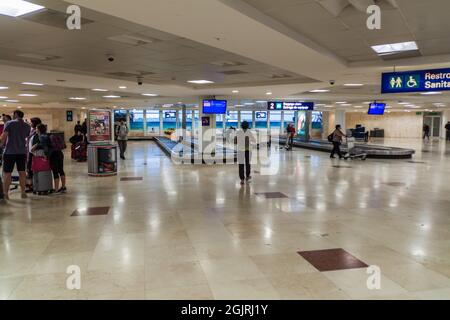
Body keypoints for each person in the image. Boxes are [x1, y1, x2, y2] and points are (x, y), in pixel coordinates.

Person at [0, 110, 31, 199]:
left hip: (10, 152)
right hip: (21, 152)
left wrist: (1, 145)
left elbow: (4, 136)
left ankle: (6, 194)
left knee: (7, 173)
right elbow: (26, 137)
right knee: (22, 172)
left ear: (16, 115)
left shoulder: (9, 123)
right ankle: (23, 192)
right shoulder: (27, 126)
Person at [235, 121, 256, 185]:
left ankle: (242, 179)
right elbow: (254, 140)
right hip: (248, 150)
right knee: (248, 163)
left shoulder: (238, 132)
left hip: (240, 150)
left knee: (241, 165)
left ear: (241, 126)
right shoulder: (249, 132)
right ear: (247, 126)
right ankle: (247, 176)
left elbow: (235, 141)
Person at [25, 117, 42, 193]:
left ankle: (31, 185)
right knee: (29, 169)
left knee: (31, 169)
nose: (30, 123)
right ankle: (30, 185)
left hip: (33, 153)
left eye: (31, 122)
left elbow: (38, 142)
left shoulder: (37, 132)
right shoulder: (32, 131)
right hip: (29, 152)